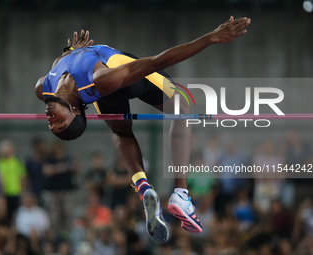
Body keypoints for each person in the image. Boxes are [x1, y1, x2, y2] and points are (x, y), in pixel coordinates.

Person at [35, 16, 251, 244]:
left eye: (52, 125)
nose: (51, 121)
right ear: (75, 112)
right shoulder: (100, 80)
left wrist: (71, 51)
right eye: (60, 122)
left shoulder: (43, 87)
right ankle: (181, 194)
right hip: (122, 77)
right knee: (182, 107)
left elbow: (63, 62)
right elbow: (157, 62)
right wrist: (211, 38)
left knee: (121, 132)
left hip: (103, 87)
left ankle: (143, 186)